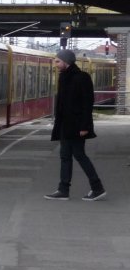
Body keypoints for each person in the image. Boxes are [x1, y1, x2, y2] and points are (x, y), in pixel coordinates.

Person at [45, 47, 106, 200]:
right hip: (65, 126)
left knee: (79, 155)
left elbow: (87, 104)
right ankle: (63, 190)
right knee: (65, 156)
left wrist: (85, 126)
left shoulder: (81, 77)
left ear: (66, 62)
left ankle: (97, 188)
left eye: (58, 61)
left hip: (78, 126)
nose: (56, 64)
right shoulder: (64, 77)